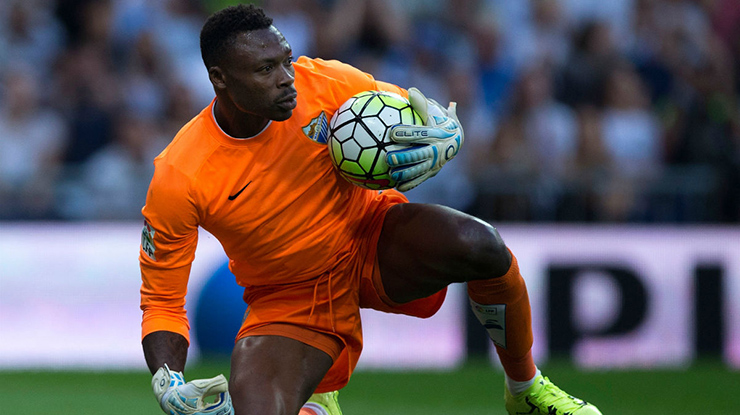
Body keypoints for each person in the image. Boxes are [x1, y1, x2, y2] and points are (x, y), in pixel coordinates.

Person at [139, 4, 602, 415]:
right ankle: (318, 398)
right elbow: (162, 302)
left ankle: (525, 390)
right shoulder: (181, 173)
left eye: (285, 60)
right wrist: (168, 380)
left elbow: (413, 113)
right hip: (290, 294)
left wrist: (447, 131)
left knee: (480, 244)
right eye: (265, 69)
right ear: (219, 78)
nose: (286, 77)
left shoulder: (325, 82)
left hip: (370, 235)